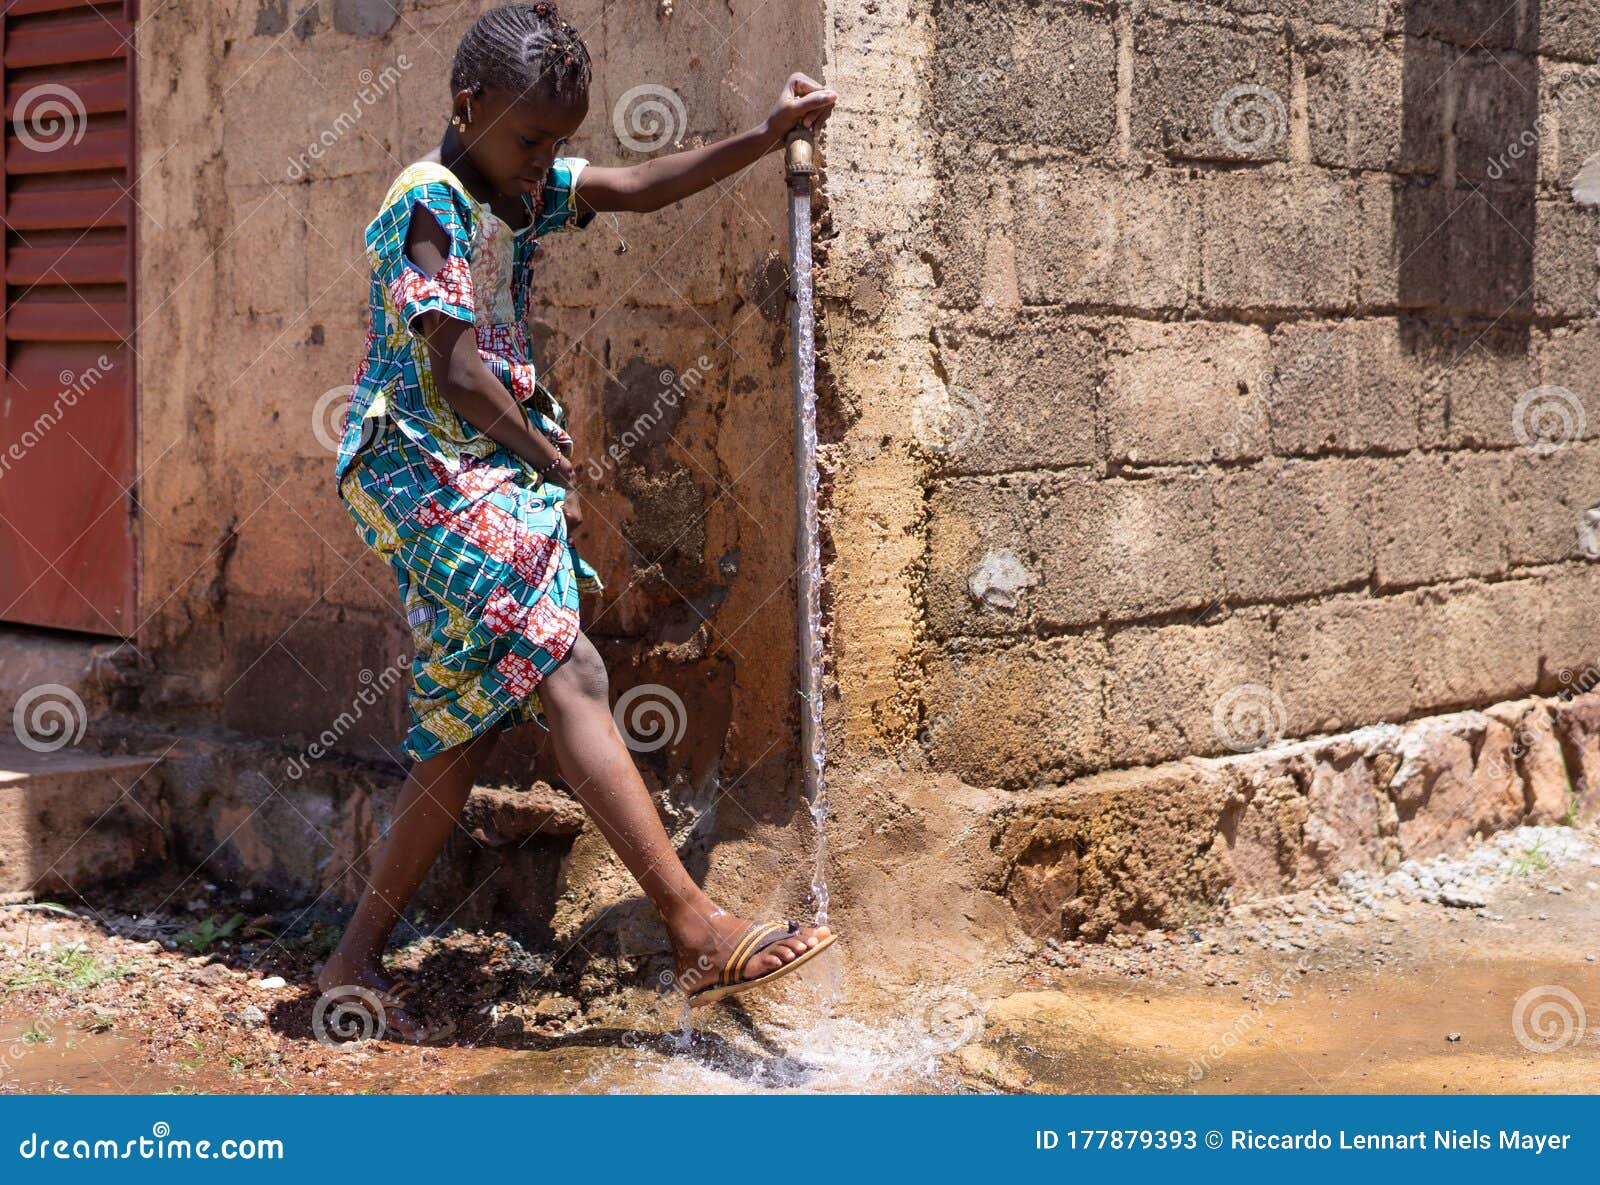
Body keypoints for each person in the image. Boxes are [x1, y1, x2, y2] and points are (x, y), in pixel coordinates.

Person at [321, 1, 838, 1040]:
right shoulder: (428, 200)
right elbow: (455, 369)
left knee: (465, 726)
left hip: (485, 465)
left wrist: (765, 135)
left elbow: (637, 187)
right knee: (570, 669)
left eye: (555, 142)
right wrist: (545, 452)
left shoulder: (512, 187)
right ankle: (694, 928)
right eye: (528, 141)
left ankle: (349, 960)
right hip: (424, 468)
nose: (543, 161)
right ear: (467, 105)